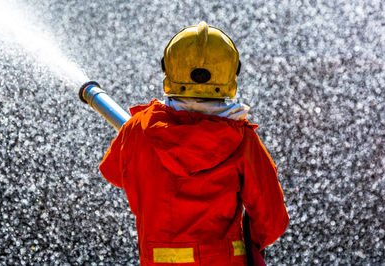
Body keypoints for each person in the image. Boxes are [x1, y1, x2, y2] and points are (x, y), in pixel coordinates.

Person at [99, 21, 289, 265]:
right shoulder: (242, 140)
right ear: (232, 73)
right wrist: (250, 245)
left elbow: (115, 173)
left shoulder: (139, 129)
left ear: (168, 68)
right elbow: (272, 220)